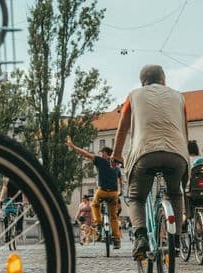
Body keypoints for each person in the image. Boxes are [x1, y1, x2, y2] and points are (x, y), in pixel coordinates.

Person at [112, 64, 189, 261]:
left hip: (145, 154)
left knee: (136, 197)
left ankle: (140, 237)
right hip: (177, 153)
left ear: (142, 82)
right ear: (164, 80)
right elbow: (184, 129)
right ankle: (177, 239)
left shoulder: (133, 95)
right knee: (175, 193)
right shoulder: (179, 97)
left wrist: (116, 155)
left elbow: (122, 129)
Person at [66, 136, 123, 249]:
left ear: (106, 154)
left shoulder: (100, 161)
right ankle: (116, 240)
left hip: (102, 191)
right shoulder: (116, 167)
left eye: (102, 153)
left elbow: (85, 154)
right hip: (114, 193)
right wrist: (120, 191)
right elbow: (120, 180)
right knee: (114, 217)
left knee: (94, 204)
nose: (101, 154)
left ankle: (98, 223)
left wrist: (73, 146)